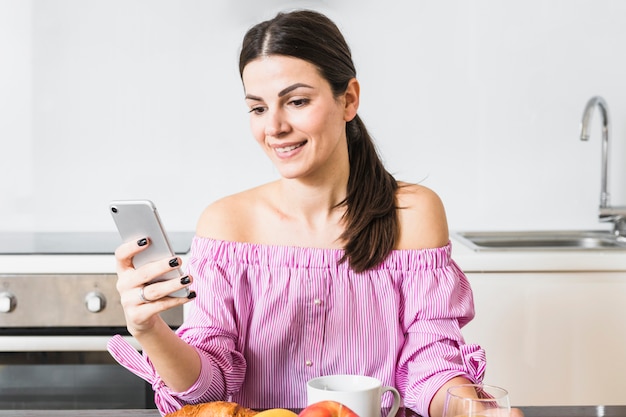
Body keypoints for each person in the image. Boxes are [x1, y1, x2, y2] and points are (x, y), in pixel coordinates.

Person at [108, 9, 490, 417]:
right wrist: (149, 331)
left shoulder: (411, 213)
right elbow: (208, 392)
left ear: (349, 99)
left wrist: (481, 413)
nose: (274, 127)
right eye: (257, 109)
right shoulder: (227, 225)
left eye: (297, 101)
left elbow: (430, 363)